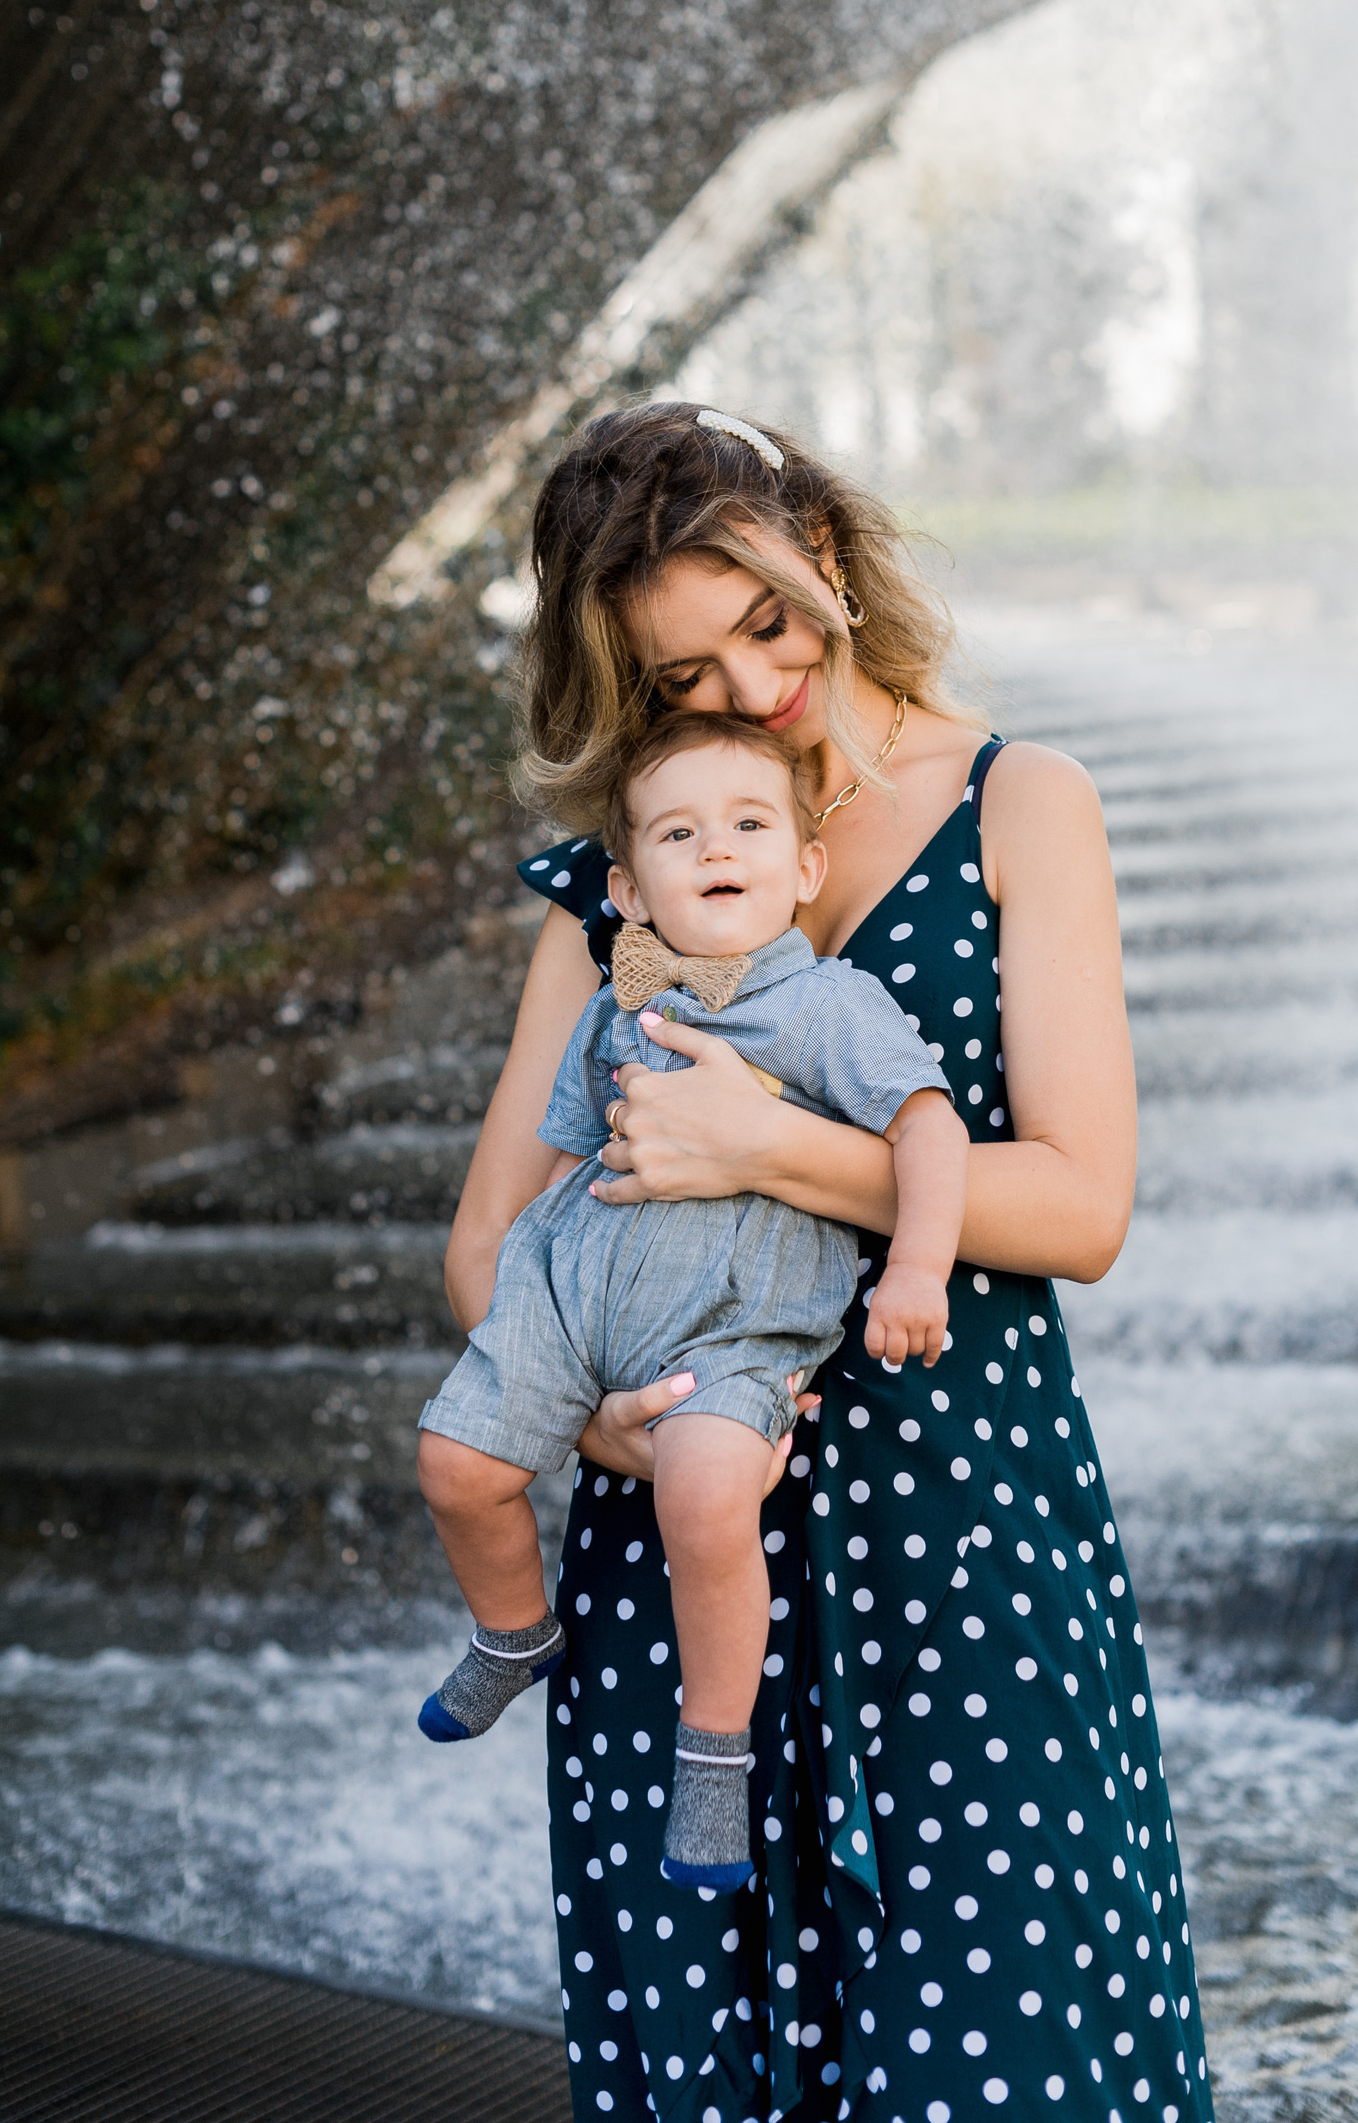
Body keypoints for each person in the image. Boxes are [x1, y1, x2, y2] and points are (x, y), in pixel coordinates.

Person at [439, 401, 1215, 2121]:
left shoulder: (1022, 801)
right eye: (688, 670)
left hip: (966, 1538)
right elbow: (489, 1242)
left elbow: (1081, 1206)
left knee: (1000, 2052)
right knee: (712, 2058)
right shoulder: (627, 875)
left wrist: (767, 1148)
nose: (751, 686)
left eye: (765, 621)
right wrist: (588, 1425)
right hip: (689, 1559)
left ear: (829, 551)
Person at [416, 711, 968, 1894]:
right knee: (454, 1464)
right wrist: (531, 1326)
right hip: (573, 1306)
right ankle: (513, 1631)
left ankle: (713, 1754)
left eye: (749, 824)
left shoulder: (826, 1004)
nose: (716, 847)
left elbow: (929, 1125)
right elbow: (561, 1160)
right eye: (679, 831)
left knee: (706, 1485)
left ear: (803, 866)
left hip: (732, 1329)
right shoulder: (614, 1001)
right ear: (626, 883)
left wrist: (917, 1268)